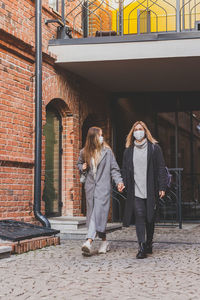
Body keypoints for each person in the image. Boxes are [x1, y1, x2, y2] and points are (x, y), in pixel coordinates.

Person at [122, 121, 167, 259]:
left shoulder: (154, 148)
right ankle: (141, 246)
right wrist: (122, 183)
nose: (138, 131)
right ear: (132, 133)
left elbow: (161, 168)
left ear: (145, 131)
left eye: (140, 129)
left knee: (150, 217)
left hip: (151, 189)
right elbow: (124, 169)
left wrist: (162, 187)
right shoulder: (128, 150)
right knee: (140, 216)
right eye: (136, 129)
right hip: (135, 190)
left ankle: (149, 242)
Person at [77, 127, 124, 255]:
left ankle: (88, 241)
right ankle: (104, 241)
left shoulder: (107, 152)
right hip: (90, 188)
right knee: (95, 214)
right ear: (94, 137)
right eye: (100, 135)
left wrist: (119, 181)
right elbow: (79, 164)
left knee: (96, 213)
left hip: (103, 188)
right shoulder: (84, 152)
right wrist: (82, 167)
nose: (102, 137)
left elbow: (114, 169)